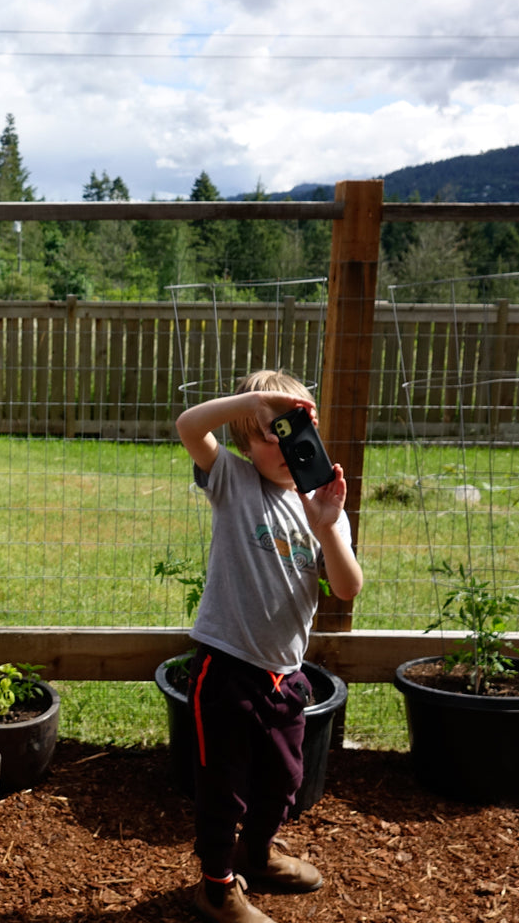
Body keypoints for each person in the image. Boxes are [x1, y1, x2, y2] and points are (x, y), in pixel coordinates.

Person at [174, 370, 363, 923]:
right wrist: (254, 401)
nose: (282, 447)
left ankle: (255, 855)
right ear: (243, 443)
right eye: (266, 434)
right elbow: (188, 426)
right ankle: (216, 888)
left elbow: (347, 587)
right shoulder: (233, 481)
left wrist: (327, 525)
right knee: (222, 787)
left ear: (313, 433)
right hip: (226, 667)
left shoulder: (325, 505)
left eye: (293, 431)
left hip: (285, 675)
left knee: (283, 782)